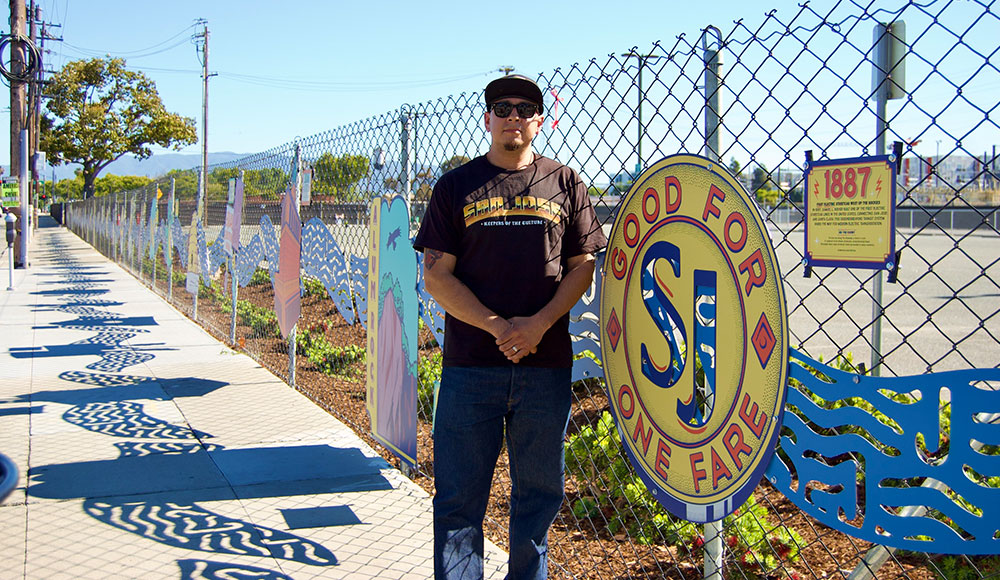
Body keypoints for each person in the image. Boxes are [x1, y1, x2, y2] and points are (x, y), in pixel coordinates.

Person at [413, 74, 608, 580]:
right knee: (458, 502)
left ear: (540, 121)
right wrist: (499, 326)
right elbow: (436, 274)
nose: (514, 116)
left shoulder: (566, 182)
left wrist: (539, 325)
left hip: (544, 369)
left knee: (537, 503)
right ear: (488, 120)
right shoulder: (456, 185)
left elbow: (582, 265)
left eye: (525, 108)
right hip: (470, 369)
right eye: (503, 108)